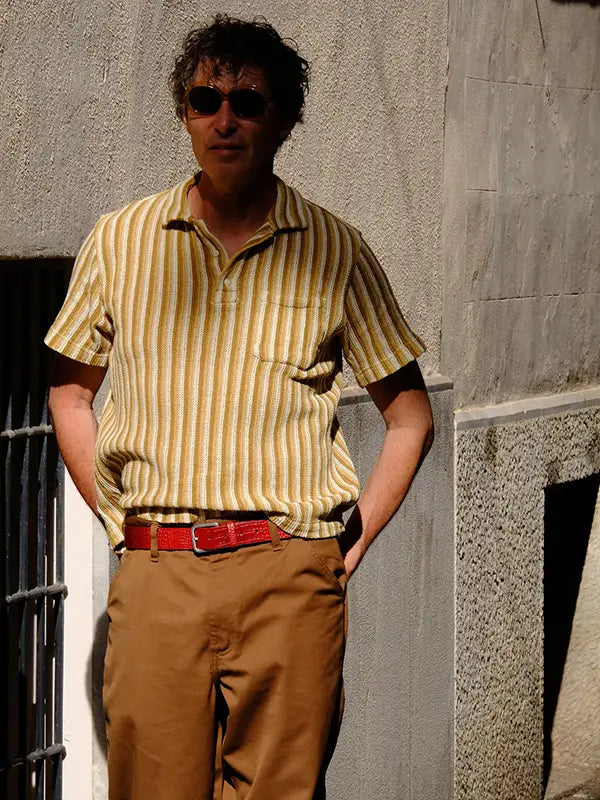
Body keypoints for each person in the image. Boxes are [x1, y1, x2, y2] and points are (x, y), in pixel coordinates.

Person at [46, 14, 433, 800]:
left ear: (285, 119)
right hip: (158, 566)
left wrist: (343, 546)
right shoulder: (120, 240)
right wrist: (120, 523)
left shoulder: (336, 249)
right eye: (205, 99)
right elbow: (69, 392)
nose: (225, 118)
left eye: (249, 102)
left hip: (289, 572)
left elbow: (409, 415)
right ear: (185, 115)